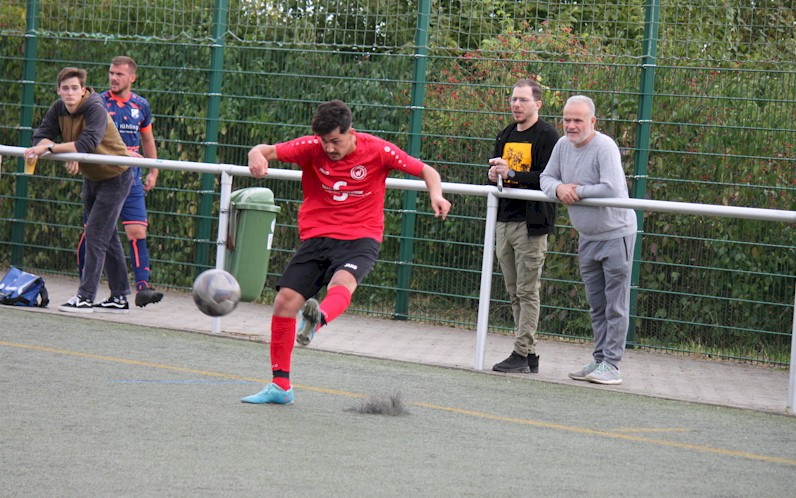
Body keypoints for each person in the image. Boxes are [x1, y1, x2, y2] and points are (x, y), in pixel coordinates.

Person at [241, 99, 452, 405]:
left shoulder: (378, 149)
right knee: (284, 302)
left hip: (360, 238)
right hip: (317, 237)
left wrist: (437, 195)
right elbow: (265, 150)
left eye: (335, 141)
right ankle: (280, 386)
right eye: (324, 141)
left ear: (351, 132)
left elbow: (426, 170)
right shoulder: (311, 147)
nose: (328, 148)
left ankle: (318, 319)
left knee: (342, 282)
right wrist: (255, 156)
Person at [540, 95, 637, 385]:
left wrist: (577, 191)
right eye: (567, 119)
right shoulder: (561, 145)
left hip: (616, 234)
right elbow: (546, 177)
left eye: (577, 120)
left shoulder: (605, 146)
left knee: (615, 304)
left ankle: (612, 365)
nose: (571, 126)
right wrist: (558, 189)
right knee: (595, 304)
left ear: (592, 122)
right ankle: (599, 360)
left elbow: (611, 188)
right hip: (588, 238)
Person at [25, 67, 134, 313]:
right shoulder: (58, 108)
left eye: (75, 88)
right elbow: (41, 135)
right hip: (92, 178)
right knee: (108, 237)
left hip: (116, 176)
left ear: (83, 90)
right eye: (65, 88)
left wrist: (52, 149)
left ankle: (85, 297)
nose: (70, 93)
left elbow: (87, 143)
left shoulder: (95, 108)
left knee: (95, 234)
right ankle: (119, 297)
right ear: (59, 91)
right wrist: (46, 146)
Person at [73, 56, 163, 308]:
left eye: (119, 74)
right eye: (111, 73)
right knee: (94, 233)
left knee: (136, 231)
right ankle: (85, 288)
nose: (113, 78)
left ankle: (142, 288)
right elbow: (87, 137)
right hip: (105, 176)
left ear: (132, 77)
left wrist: (153, 169)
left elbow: (147, 140)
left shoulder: (140, 105)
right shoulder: (98, 103)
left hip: (132, 178)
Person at [487, 79, 560, 374]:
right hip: (504, 220)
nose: (516, 104)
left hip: (531, 224)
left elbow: (549, 177)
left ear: (537, 104)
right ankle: (529, 354)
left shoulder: (547, 136)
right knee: (513, 291)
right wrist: (493, 174)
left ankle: (520, 352)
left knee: (528, 290)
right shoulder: (504, 134)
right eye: (513, 99)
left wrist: (514, 172)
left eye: (523, 100)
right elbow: (494, 175)